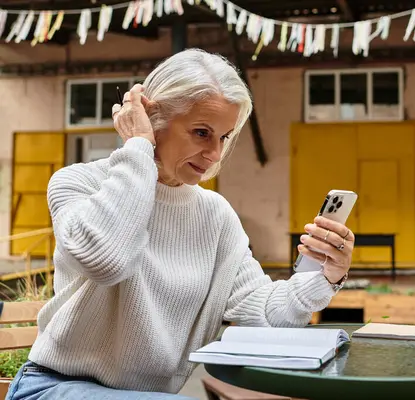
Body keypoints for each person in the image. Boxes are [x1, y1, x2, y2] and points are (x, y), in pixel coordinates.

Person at [6, 49, 355, 400]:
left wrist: (324, 275)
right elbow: (105, 261)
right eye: (202, 133)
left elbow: (262, 312)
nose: (215, 154)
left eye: (224, 137)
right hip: (55, 387)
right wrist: (139, 148)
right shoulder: (78, 183)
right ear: (152, 118)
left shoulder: (215, 214)